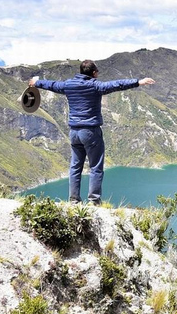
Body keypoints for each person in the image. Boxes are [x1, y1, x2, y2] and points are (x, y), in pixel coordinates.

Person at [29, 60, 155, 205]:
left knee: (75, 166)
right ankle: (94, 201)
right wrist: (139, 82)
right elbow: (117, 84)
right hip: (90, 132)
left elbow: (51, 85)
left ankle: (74, 200)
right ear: (94, 73)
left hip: (74, 132)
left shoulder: (68, 85)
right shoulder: (96, 86)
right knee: (95, 167)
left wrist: (36, 83)